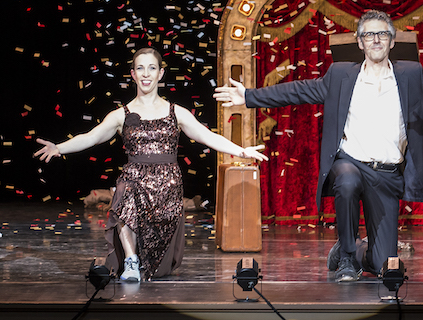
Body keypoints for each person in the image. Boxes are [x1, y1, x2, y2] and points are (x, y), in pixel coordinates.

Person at [214, 9, 423, 282]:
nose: (375, 40)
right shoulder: (341, 75)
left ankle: (348, 249)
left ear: (391, 41)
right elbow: (299, 89)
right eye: (368, 35)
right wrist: (249, 96)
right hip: (350, 163)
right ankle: (347, 260)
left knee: (382, 265)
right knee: (348, 182)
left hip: (387, 176)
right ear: (360, 43)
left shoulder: (411, 75)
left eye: (382, 34)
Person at [35, 47, 267, 282]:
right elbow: (91, 137)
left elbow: (207, 136)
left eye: (152, 68)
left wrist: (242, 150)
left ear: (160, 74)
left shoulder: (176, 112)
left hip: (168, 184)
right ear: (133, 74)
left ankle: (145, 257)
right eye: (140, 68)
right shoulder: (121, 115)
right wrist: (59, 148)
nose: (146, 74)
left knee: (158, 265)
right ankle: (130, 260)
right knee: (125, 191)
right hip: (135, 176)